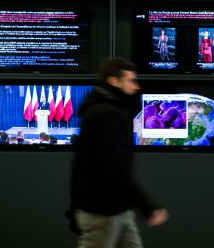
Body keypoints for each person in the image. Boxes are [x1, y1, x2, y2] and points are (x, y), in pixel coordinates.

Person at [68, 58, 169, 248]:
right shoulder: (105, 114)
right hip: (101, 213)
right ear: (114, 81)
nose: (136, 87)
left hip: (120, 209)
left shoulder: (111, 110)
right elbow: (114, 168)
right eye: (131, 81)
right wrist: (147, 207)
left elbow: (79, 164)